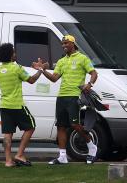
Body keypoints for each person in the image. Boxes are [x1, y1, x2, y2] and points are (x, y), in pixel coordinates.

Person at [33, 35, 98, 165]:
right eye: (62, 44)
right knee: (61, 126)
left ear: (73, 44)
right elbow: (54, 78)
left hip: (74, 96)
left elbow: (94, 73)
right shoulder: (62, 61)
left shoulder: (82, 58)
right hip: (61, 97)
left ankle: (92, 146)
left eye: (66, 43)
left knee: (74, 125)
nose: (64, 46)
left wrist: (89, 84)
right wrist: (42, 70)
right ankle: (62, 157)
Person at [0, 43, 43, 167]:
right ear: (11, 55)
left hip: (4, 106)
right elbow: (31, 80)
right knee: (31, 126)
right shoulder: (17, 68)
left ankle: (8, 161)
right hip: (17, 105)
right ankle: (20, 154)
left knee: (7, 134)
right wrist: (40, 70)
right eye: (14, 52)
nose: (15, 54)